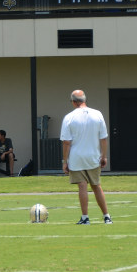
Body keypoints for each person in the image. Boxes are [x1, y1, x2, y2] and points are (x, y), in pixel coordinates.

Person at [60, 89, 112, 225]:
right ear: (84, 100)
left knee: (82, 186)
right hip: (93, 156)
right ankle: (107, 216)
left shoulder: (69, 117)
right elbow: (104, 138)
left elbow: (66, 142)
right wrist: (104, 156)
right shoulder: (97, 114)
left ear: (73, 102)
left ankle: (85, 218)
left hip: (77, 158)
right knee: (96, 185)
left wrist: (65, 161)